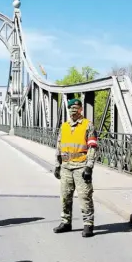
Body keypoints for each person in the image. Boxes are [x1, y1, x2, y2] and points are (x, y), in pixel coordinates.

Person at [53, 98, 98, 237]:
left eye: (76, 107)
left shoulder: (87, 125)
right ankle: (66, 222)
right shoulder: (64, 126)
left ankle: (88, 224)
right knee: (65, 196)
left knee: (85, 196)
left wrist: (89, 167)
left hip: (81, 165)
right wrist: (57, 165)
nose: (73, 109)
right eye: (71, 107)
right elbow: (59, 145)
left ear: (81, 109)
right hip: (66, 166)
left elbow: (92, 147)